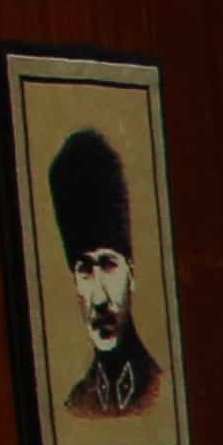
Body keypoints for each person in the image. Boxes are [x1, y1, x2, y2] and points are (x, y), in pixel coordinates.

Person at [47, 125, 163, 422]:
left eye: (109, 264)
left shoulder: (160, 392)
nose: (99, 298)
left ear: (131, 275)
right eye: (85, 269)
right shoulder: (77, 405)